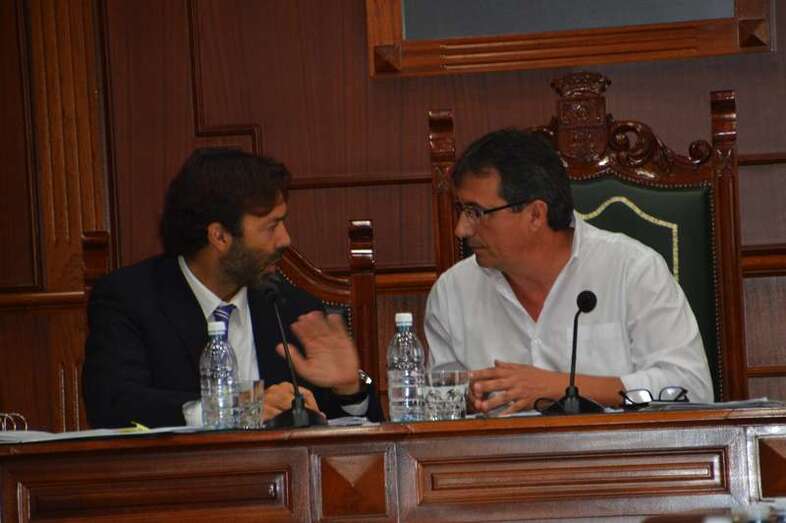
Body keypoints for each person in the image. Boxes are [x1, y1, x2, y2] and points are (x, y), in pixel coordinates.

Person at [83, 148, 383, 428]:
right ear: (220, 236)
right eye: (271, 226)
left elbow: (358, 440)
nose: (285, 239)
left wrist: (349, 390)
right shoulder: (130, 299)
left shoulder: (296, 312)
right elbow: (111, 404)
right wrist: (229, 410)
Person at [424, 129, 713, 415]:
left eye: (475, 212)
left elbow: (691, 389)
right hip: (501, 448)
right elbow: (435, 411)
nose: (461, 229)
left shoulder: (633, 271)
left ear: (535, 214)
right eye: (461, 210)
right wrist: (467, 400)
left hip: (615, 446)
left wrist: (564, 388)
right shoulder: (452, 293)